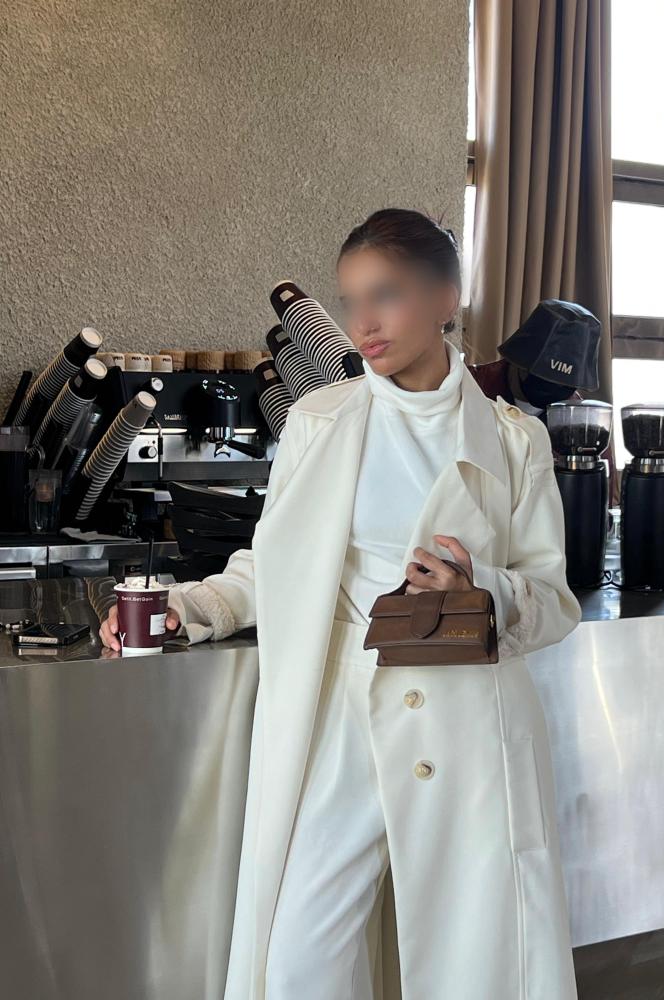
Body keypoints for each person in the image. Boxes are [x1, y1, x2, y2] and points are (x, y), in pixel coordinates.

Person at [100, 208, 582, 1000]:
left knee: (474, 965)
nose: (363, 324)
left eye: (385, 295)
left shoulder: (514, 440)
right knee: (300, 959)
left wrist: (482, 590)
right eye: (352, 300)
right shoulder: (321, 422)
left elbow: (554, 600)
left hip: (468, 726)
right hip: (341, 717)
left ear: (446, 298)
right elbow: (276, 563)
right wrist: (192, 607)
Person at [468, 298, 601, 424]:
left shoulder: (578, 418)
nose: (552, 386)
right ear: (519, 360)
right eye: (544, 376)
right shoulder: (471, 386)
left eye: (563, 384)